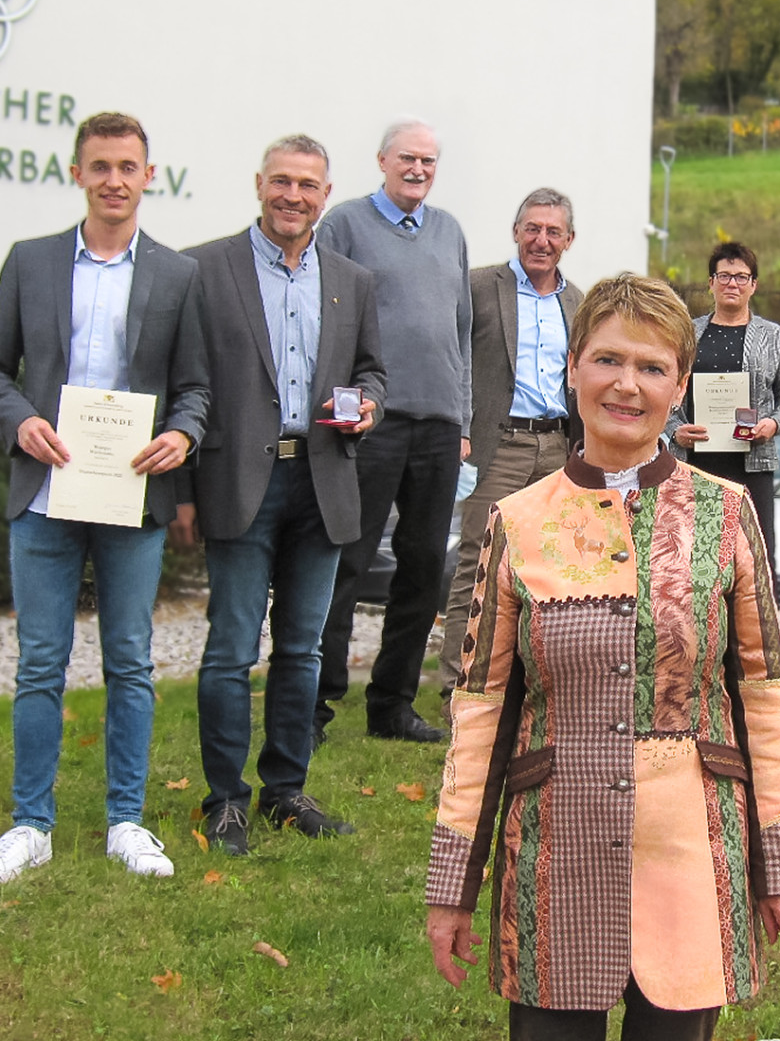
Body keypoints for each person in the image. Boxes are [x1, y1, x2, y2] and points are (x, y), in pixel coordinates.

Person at [424, 274, 780, 1040]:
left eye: (652, 367)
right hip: (552, 854)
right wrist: (453, 884)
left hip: (692, 848)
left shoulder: (727, 513)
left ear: (680, 385)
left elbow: (765, 699)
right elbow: (479, 714)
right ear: (572, 368)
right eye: (607, 360)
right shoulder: (517, 520)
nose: (626, 385)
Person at [0, 112, 208, 882]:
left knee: (130, 663)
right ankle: (30, 825)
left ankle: (125, 820)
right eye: (99, 165)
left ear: (148, 176)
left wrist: (185, 435)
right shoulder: (31, 262)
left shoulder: (177, 275)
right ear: (77, 173)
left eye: (127, 166)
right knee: (40, 663)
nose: (113, 180)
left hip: (132, 492)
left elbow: (197, 387)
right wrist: (22, 420)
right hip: (45, 488)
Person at [179, 135, 386, 856]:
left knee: (301, 651)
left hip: (322, 478)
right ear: (258, 185)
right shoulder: (205, 269)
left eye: (308, 185)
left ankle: (286, 791)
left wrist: (369, 405)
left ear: (326, 195)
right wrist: (179, 489)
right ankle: (226, 799)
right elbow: (185, 385)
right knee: (231, 650)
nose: (293, 196)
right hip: (240, 481)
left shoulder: (352, 281)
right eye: (281, 182)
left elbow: (372, 372)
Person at [313, 118, 471, 744]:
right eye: (407, 158)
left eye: (428, 161)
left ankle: (393, 706)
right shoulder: (346, 225)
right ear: (382, 160)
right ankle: (316, 705)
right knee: (347, 562)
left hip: (437, 425)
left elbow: (460, 330)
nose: (418, 170)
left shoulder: (450, 232)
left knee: (423, 566)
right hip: (373, 423)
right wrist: (344, 406)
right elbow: (329, 320)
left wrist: (462, 417)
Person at [436, 188, 585, 711]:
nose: (540, 240)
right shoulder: (479, 287)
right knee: (478, 565)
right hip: (497, 447)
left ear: (569, 240)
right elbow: (451, 359)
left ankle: (528, 686)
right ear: (516, 231)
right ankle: (458, 685)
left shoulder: (578, 302)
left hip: (559, 448)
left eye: (552, 232)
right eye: (532, 228)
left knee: (548, 568)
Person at [665, 241, 780, 573]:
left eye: (741, 277)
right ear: (710, 282)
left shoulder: (773, 336)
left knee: (756, 557)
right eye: (724, 276)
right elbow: (666, 393)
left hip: (752, 466)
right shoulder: (687, 333)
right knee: (698, 557)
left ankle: (758, 626)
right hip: (696, 465)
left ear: (753, 285)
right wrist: (674, 430)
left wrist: (772, 425)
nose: (732, 284)